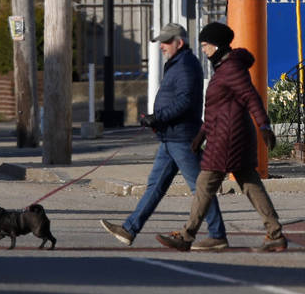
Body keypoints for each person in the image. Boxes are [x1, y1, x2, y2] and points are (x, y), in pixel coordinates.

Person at [156, 21, 288, 252]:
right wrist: (200, 137)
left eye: (206, 45)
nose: (204, 50)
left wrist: (265, 126)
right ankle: (275, 233)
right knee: (250, 183)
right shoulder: (226, 68)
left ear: (217, 46)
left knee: (204, 185)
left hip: (227, 139)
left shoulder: (231, 70)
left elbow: (251, 97)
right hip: (228, 135)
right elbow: (218, 109)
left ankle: (187, 236)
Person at [99, 22, 228, 251]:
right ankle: (130, 229)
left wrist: (158, 117)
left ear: (180, 42)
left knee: (200, 187)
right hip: (171, 137)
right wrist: (156, 118)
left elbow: (185, 101)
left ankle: (217, 234)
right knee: (155, 186)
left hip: (183, 137)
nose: (162, 46)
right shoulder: (177, 63)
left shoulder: (186, 65)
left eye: (167, 41)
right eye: (161, 42)